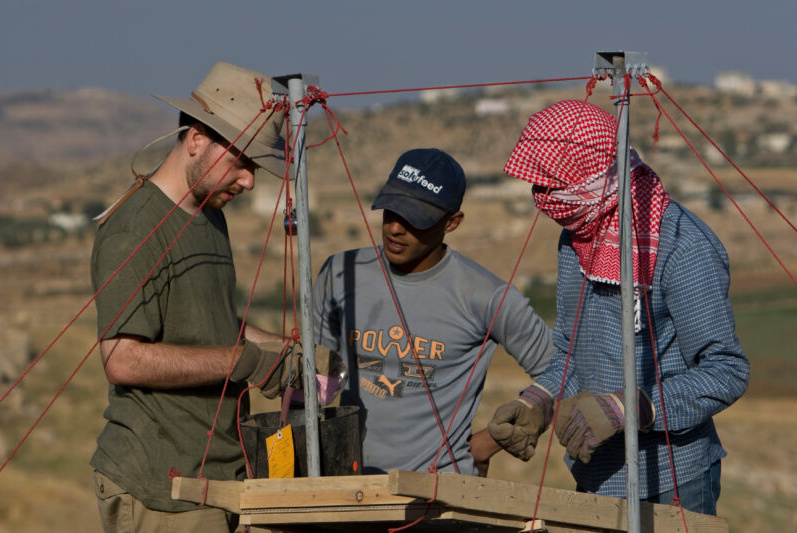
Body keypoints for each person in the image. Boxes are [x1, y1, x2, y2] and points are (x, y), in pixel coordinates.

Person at [486, 100, 749, 514]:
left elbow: (726, 371)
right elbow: (573, 351)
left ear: (590, 179)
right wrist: (538, 401)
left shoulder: (682, 246)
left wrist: (630, 409)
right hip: (596, 472)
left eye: (551, 186)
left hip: (671, 478)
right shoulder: (577, 235)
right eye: (537, 187)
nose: (542, 199)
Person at [90, 62, 303, 533]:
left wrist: (288, 353)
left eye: (255, 168)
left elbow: (211, 323)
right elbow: (122, 359)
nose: (249, 181)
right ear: (196, 139)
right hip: (163, 486)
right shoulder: (134, 229)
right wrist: (243, 362)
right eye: (241, 162)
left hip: (220, 473)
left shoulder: (209, 214)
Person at [312, 148, 554, 477]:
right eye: (390, 211)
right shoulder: (341, 272)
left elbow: (561, 371)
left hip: (439, 493)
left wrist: (487, 443)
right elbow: (316, 378)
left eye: (414, 218)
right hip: (348, 487)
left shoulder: (487, 295)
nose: (395, 228)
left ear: (451, 222)